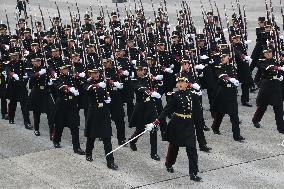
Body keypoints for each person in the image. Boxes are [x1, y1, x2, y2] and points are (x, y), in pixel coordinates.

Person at [152, 73, 204, 182]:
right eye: (178, 82)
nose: (180, 84)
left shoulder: (193, 95)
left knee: (192, 148)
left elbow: (197, 112)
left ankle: (193, 173)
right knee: (174, 147)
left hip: (189, 124)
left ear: (187, 84)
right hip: (177, 124)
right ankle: (169, 164)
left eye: (182, 82)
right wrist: (156, 121)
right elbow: (166, 110)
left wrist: (199, 126)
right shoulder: (175, 96)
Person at [84, 68, 118, 170]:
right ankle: (88, 152)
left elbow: (111, 91)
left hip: (104, 111)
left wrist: (108, 99)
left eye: (97, 72)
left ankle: (110, 162)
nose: (97, 74)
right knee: (92, 136)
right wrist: (97, 85)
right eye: (94, 73)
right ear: (90, 74)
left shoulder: (104, 81)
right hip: (94, 111)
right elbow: (87, 88)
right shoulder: (87, 82)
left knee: (107, 137)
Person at [211, 47, 245, 142]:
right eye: (222, 57)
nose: (223, 58)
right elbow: (221, 76)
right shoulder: (218, 67)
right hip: (223, 93)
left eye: (225, 56)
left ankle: (236, 136)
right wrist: (229, 79)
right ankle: (215, 127)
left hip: (232, 93)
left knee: (234, 115)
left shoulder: (232, 67)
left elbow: (236, 75)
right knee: (220, 113)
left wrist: (236, 81)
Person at [128, 62, 161, 161]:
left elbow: (158, 85)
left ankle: (153, 153)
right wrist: (150, 92)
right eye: (138, 70)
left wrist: (156, 82)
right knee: (140, 129)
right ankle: (132, 140)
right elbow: (139, 88)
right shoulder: (134, 80)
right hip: (141, 107)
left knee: (153, 128)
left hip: (150, 106)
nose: (139, 72)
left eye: (141, 70)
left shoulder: (149, 79)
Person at [52, 62, 85, 155]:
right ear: (60, 70)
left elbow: (82, 84)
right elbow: (59, 86)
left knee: (74, 126)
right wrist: (69, 89)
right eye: (64, 69)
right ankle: (56, 140)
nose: (66, 70)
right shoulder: (57, 78)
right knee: (59, 124)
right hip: (62, 104)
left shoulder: (72, 78)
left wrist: (80, 77)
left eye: (67, 68)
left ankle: (76, 147)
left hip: (72, 104)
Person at [252, 46, 284, 134]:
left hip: (276, 84)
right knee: (262, 106)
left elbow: (278, 67)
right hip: (266, 86)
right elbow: (269, 68)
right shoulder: (261, 62)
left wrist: (280, 73)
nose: (268, 54)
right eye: (266, 52)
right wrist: (279, 68)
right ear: (263, 54)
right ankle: (255, 120)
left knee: (278, 106)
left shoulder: (275, 59)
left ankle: (281, 128)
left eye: (270, 52)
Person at [27, 56, 55, 138]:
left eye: (39, 61)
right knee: (36, 113)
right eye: (36, 61)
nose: (38, 62)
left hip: (46, 92)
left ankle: (52, 132)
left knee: (50, 112)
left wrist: (52, 75)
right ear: (32, 62)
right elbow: (31, 79)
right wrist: (38, 74)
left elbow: (51, 73)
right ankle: (36, 129)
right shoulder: (31, 70)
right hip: (36, 93)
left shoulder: (45, 68)